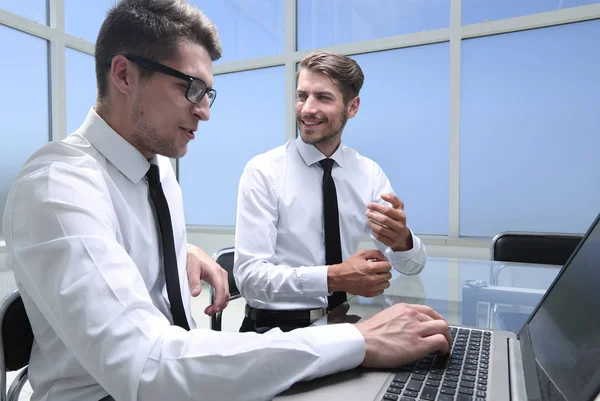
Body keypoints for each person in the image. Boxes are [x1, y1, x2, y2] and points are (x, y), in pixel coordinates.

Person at [3, 1, 451, 400]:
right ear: (123, 75)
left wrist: (177, 253)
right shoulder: (57, 186)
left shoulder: (157, 174)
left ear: (351, 108)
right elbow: (146, 369)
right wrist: (359, 343)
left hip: (191, 375)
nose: (205, 111)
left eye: (208, 93)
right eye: (191, 89)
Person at [235, 50, 427, 333]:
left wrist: (402, 241)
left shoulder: (368, 173)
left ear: (352, 106)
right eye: (302, 96)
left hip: (343, 323)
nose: (307, 109)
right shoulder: (263, 171)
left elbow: (412, 267)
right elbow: (250, 278)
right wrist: (333, 278)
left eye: (323, 97)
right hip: (275, 330)